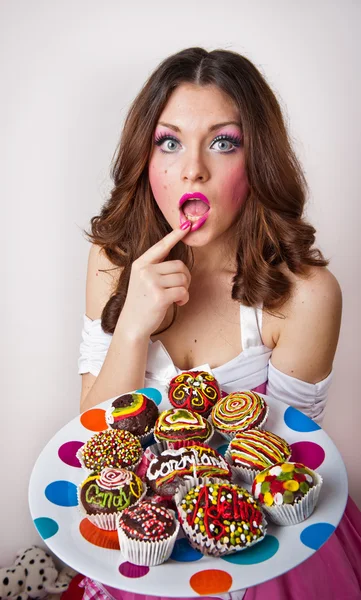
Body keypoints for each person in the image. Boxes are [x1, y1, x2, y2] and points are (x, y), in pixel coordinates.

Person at [78, 48, 361, 600]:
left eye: (223, 142)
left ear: (259, 161)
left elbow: (283, 472)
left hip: (271, 547)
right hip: (148, 539)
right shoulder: (112, 262)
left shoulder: (305, 296)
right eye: (170, 141)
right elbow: (92, 441)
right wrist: (132, 327)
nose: (193, 169)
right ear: (146, 157)